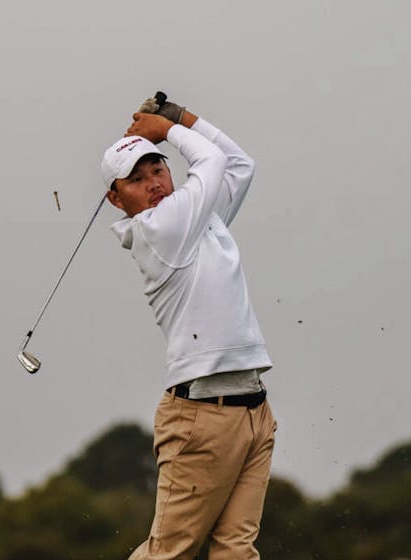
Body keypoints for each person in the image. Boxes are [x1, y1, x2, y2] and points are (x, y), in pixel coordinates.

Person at [100, 94, 276, 560]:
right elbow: (213, 159)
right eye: (136, 180)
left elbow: (240, 164)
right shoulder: (161, 228)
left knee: (236, 553)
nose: (154, 183)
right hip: (203, 417)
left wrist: (178, 116)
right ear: (117, 199)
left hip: (253, 410)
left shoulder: (198, 218)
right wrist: (167, 131)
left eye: (157, 170)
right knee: (169, 553)